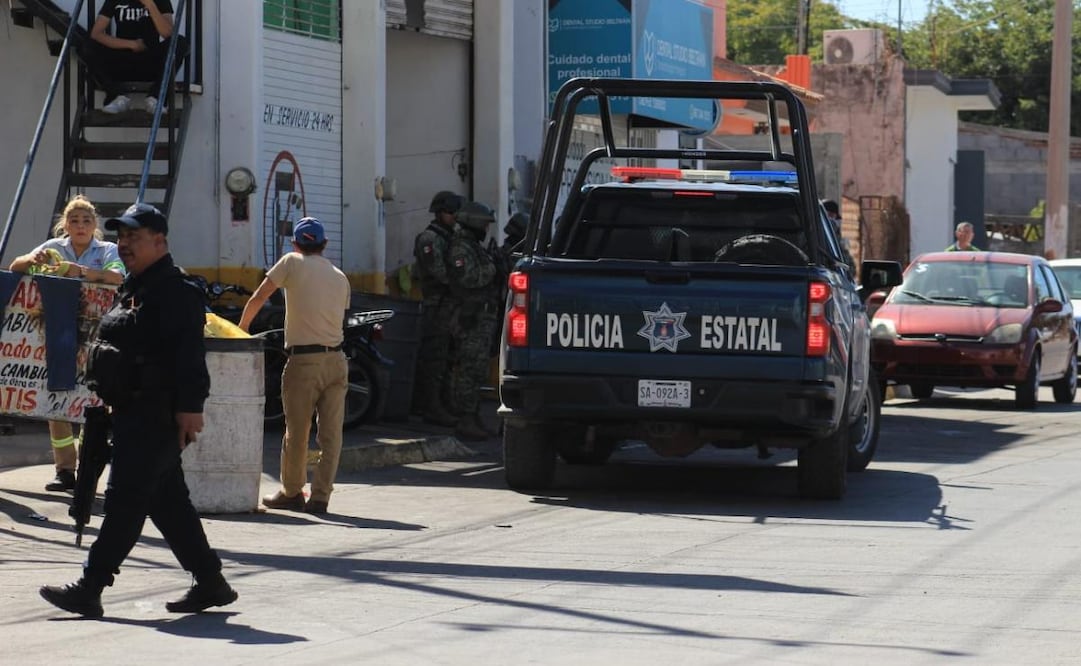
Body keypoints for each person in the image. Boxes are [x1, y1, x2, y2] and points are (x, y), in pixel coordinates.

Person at [39, 203, 236, 618]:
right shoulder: (136, 286)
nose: (125, 244)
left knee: (125, 499)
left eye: (134, 237)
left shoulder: (176, 292)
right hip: (130, 409)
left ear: (159, 242)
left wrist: (190, 408)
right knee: (167, 502)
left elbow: (189, 356)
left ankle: (90, 586)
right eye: (122, 237)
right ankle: (211, 582)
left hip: (157, 413)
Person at [9, 195, 124, 492]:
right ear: (66, 224)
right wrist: (32, 261)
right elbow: (16, 267)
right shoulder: (52, 248)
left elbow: (118, 277)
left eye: (86, 220)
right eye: (74, 220)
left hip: (96, 336)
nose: (80, 225)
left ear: (94, 225)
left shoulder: (107, 249)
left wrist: (82, 273)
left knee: (91, 402)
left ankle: (88, 466)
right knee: (56, 398)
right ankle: (64, 470)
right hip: (57, 332)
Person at [239, 217, 351, 515]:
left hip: (304, 361)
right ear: (324, 245)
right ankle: (321, 498)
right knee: (331, 434)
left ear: (296, 244)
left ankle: (291, 492)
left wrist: (241, 331)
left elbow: (259, 296)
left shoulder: (291, 261)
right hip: (338, 361)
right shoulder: (340, 277)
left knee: (297, 430)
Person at [447, 202, 501, 442]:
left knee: (478, 369)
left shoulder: (474, 247)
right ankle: (465, 419)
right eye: (484, 225)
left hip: (482, 316)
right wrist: (492, 268)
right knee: (469, 369)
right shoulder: (461, 248)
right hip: (471, 317)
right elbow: (469, 278)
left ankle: (473, 416)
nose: (486, 229)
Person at [413, 190, 465, 427]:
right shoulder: (430, 239)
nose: (455, 217)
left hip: (450, 305)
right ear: (441, 212)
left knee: (447, 358)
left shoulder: (448, 237)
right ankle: (431, 407)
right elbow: (440, 273)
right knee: (435, 359)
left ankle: (445, 403)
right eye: (451, 213)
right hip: (438, 306)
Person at [87, 0, 187, 115]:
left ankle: (156, 98)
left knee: (180, 43)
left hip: (151, 62)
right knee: (87, 46)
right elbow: (96, 34)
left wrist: (150, 4)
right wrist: (132, 44)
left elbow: (169, 34)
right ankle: (116, 96)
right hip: (123, 61)